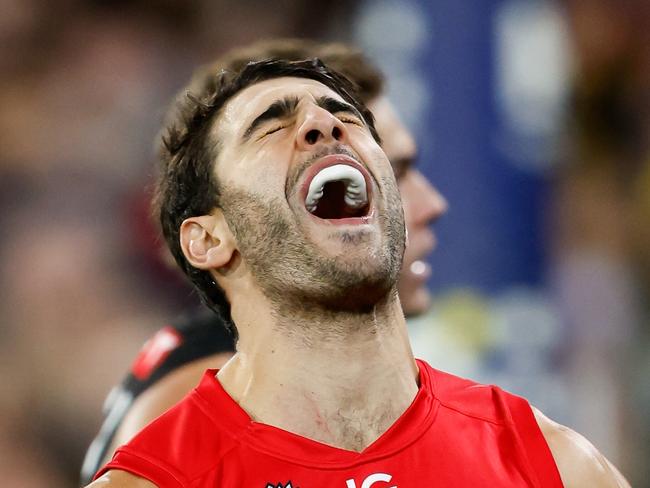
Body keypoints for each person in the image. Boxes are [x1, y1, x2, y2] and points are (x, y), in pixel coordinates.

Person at [86, 58, 628, 487]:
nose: (323, 124)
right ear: (208, 240)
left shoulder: (554, 464)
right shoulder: (156, 480)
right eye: (270, 125)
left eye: (344, 116)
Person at [80, 39, 447, 485]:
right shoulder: (195, 407)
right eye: (399, 171)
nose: (431, 204)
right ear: (211, 232)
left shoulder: (525, 440)